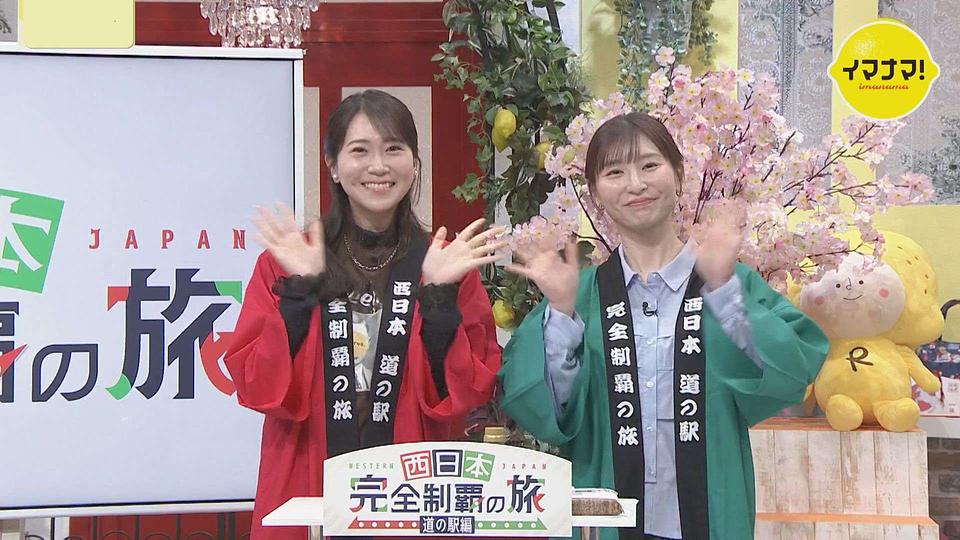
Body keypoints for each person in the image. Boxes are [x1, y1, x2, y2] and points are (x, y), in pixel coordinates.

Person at [498, 112, 828, 540]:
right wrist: (560, 312)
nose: (635, 184)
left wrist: (725, 292)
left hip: (708, 511)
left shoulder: (728, 283)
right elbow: (543, 410)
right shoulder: (579, 295)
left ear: (679, 174)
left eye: (649, 165)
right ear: (595, 194)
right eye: (614, 172)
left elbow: (791, 371)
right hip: (605, 515)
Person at [225, 89, 504, 540]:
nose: (378, 166)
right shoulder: (289, 262)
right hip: (306, 473)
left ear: (414, 163)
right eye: (359, 151)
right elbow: (256, 384)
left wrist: (438, 299)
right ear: (333, 165)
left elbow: (466, 393)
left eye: (394, 149)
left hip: (414, 486)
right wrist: (298, 293)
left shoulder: (444, 264)